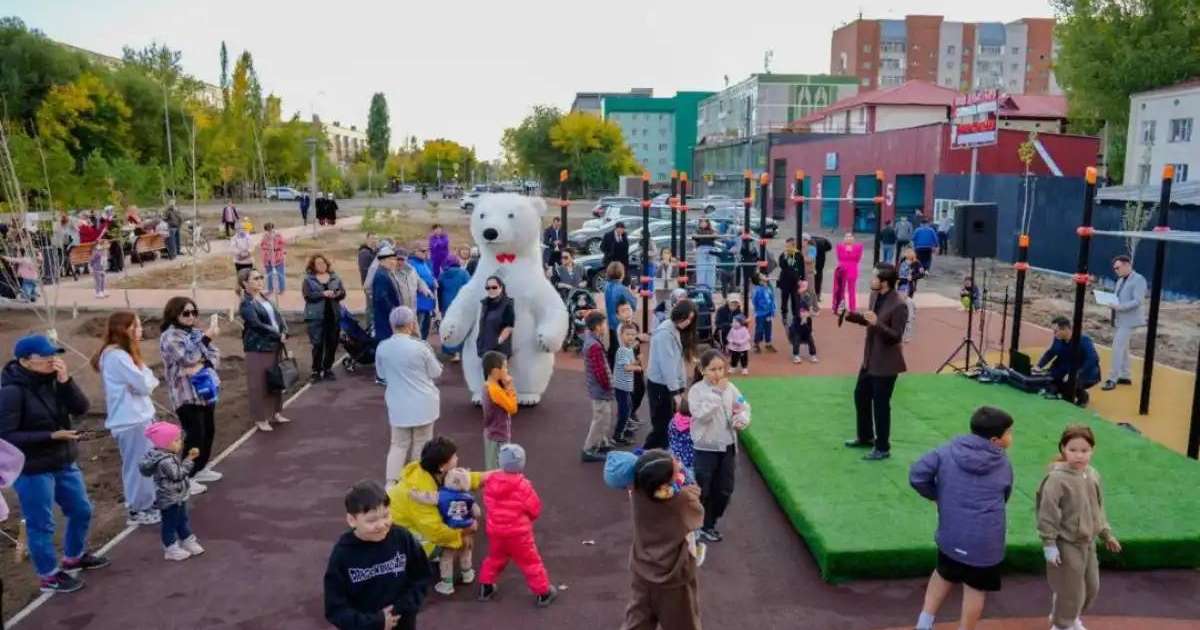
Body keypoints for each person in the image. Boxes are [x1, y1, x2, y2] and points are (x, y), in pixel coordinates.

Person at [1, 334, 110, 593]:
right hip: (32, 468)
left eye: (55, 354)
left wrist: (66, 381)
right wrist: (51, 435)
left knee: (81, 509)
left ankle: (74, 556)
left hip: (63, 459)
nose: (53, 360)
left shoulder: (53, 381)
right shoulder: (11, 392)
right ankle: (48, 575)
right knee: (41, 523)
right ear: (25, 361)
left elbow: (81, 407)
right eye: (46, 356)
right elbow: (5, 435)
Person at [909, 406, 1015, 630]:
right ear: (996, 440)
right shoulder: (1003, 463)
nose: (1011, 437)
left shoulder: (946, 451)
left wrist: (937, 496)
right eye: (1009, 433)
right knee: (975, 589)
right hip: (985, 543)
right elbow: (1004, 494)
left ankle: (924, 622)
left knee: (943, 574)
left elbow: (917, 475)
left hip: (952, 534)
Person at [1037, 425, 1122, 630]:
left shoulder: (1092, 474)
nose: (1079, 455)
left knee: (1092, 588)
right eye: (1073, 450)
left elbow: (1097, 508)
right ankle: (1061, 625)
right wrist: (1049, 544)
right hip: (1067, 543)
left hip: (1088, 542)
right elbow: (1047, 512)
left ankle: (1070, 616)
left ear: (1092, 451)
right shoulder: (1056, 479)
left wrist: (1106, 534)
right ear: (1063, 449)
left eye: (1084, 450)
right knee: (1071, 590)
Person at [324, 480, 432, 630]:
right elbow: (335, 609)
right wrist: (376, 622)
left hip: (403, 623)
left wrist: (402, 608)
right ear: (352, 520)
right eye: (371, 520)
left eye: (386, 515)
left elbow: (422, 576)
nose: (382, 524)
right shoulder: (343, 554)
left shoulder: (402, 538)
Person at [621, 449, 704, 630]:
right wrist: (683, 478)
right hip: (673, 575)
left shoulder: (637, 490)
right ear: (664, 483)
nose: (678, 466)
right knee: (683, 623)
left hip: (642, 568)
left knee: (637, 620)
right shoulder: (681, 499)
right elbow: (697, 510)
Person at [92, 312, 162, 524]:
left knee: (147, 462)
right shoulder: (117, 357)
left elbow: (147, 379)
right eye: (137, 326)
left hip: (140, 417)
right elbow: (144, 383)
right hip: (131, 420)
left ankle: (147, 501)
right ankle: (137, 508)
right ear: (125, 330)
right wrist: (145, 382)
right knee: (138, 465)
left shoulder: (125, 354)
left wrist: (145, 382)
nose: (141, 330)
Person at [477, 443, 558, 607]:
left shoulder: (490, 482)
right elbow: (535, 508)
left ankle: (485, 587)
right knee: (531, 563)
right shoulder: (523, 486)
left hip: (496, 531)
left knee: (494, 558)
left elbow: (487, 502)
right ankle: (543, 593)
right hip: (519, 534)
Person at [843, 264, 908, 461]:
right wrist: (849, 315)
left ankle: (882, 447)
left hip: (886, 364)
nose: (871, 280)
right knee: (860, 396)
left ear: (884, 281)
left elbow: (895, 336)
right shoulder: (875, 297)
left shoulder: (899, 305)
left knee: (880, 405)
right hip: (869, 360)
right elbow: (869, 320)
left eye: (874, 277)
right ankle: (865, 437)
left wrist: (876, 323)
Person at [159, 297, 223, 490]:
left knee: (208, 431)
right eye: (186, 313)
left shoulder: (195, 333)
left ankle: (200, 467)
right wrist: (206, 340)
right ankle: (185, 476)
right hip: (185, 394)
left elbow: (215, 355)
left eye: (194, 313)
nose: (191, 317)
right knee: (195, 434)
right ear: (174, 314)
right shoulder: (170, 337)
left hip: (205, 390)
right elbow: (187, 358)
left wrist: (201, 362)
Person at [688, 348, 750, 543]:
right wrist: (716, 393)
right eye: (713, 369)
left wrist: (741, 419)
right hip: (705, 448)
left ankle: (709, 524)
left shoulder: (730, 388)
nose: (718, 373)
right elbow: (701, 415)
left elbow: (742, 405)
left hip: (728, 446)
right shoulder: (697, 391)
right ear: (702, 369)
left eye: (721, 368)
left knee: (724, 489)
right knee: (702, 488)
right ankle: (697, 525)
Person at [388, 436, 488, 557]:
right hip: (398, 534)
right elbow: (435, 531)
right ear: (442, 466)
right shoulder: (419, 493)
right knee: (450, 545)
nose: (457, 458)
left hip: (412, 523)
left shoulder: (431, 470)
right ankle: (426, 556)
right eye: (454, 456)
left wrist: (499, 474)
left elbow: (468, 479)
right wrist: (463, 532)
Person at [377, 307, 442, 486]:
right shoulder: (421, 347)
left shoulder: (382, 348)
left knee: (398, 444)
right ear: (411, 325)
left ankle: (391, 483)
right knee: (422, 443)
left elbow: (381, 375)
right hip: (424, 403)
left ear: (392, 325)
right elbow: (435, 372)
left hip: (398, 404)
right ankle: (417, 481)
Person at [237, 268, 293, 433]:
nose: (260, 280)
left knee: (275, 380)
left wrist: (284, 331)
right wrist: (277, 334)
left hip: (273, 345)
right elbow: (256, 325)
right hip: (258, 348)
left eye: (261, 277)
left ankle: (276, 412)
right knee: (259, 384)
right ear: (245, 283)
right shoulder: (246, 303)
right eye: (255, 278)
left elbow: (278, 317)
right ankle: (260, 418)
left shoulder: (263, 297)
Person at [140, 422, 205, 561]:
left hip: (177, 495)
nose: (180, 443)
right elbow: (178, 475)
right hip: (169, 498)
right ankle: (170, 547)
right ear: (164, 443)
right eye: (176, 440)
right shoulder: (165, 461)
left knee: (182, 519)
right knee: (170, 522)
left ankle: (186, 539)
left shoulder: (168, 455)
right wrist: (189, 459)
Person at [644, 300, 696, 450]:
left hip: (666, 385)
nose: (688, 322)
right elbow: (667, 367)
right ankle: (643, 455)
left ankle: (660, 457)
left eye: (691, 319)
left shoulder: (673, 329)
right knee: (662, 426)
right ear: (679, 315)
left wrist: (679, 387)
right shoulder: (665, 334)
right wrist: (676, 393)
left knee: (667, 425)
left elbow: (674, 363)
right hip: (661, 386)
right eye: (687, 318)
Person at [1101, 255, 1146, 391]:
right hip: (1120, 318)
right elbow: (1118, 297)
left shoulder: (1138, 280)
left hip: (1130, 320)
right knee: (1124, 347)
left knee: (1117, 346)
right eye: (1115, 268)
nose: (1116, 271)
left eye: (1118, 268)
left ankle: (1112, 378)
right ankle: (1125, 375)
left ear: (1127, 265)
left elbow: (1138, 301)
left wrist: (1119, 307)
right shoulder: (1121, 280)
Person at [1036, 316, 1102, 407]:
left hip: (1086, 372)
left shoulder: (1084, 340)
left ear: (1066, 329)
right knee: (1047, 380)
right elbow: (1051, 352)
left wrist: (1077, 373)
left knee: (1070, 386)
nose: (1054, 334)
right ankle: (1062, 389)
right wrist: (1039, 366)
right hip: (1064, 369)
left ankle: (1082, 396)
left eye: (1056, 331)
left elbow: (1092, 359)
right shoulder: (1058, 338)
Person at [302, 254, 347, 383]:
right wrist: (322, 294)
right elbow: (307, 296)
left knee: (332, 343)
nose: (321, 265)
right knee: (317, 344)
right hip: (316, 317)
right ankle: (316, 370)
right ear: (313, 266)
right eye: (318, 264)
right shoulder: (308, 280)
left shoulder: (335, 277)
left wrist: (336, 294)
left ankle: (327, 368)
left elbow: (343, 293)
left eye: (323, 263)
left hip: (333, 315)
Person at [581, 311, 615, 462]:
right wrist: (608, 385)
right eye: (603, 324)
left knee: (604, 417)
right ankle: (589, 448)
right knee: (600, 418)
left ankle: (601, 442)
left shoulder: (591, 340)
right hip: (600, 389)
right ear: (597, 326)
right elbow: (600, 370)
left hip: (597, 388)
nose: (605, 327)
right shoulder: (594, 345)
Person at [481, 350, 516, 470]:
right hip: (498, 436)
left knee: (494, 466)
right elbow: (512, 408)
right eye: (505, 367)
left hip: (493, 433)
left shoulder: (488, 386)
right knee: (497, 469)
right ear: (495, 371)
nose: (507, 370)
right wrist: (509, 387)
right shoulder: (495, 390)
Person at [613, 322, 643, 446]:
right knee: (624, 410)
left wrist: (638, 361)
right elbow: (626, 367)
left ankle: (625, 426)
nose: (630, 337)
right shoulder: (622, 351)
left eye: (633, 335)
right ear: (621, 335)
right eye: (628, 334)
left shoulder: (629, 349)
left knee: (628, 407)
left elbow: (631, 363)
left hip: (626, 385)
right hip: (621, 386)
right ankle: (618, 435)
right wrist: (637, 368)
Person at [437, 255, 471, 361]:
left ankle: (448, 349)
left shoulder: (442, 275)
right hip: (460, 304)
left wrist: (440, 305)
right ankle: (459, 351)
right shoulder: (464, 273)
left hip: (446, 303)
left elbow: (439, 290)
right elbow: (469, 288)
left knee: (448, 327)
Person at [477, 275, 516, 358]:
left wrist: (497, 342)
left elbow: (508, 327)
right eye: (488, 288)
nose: (491, 290)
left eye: (494, 287)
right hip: (484, 349)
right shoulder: (484, 303)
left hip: (499, 351)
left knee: (497, 371)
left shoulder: (507, 304)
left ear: (501, 287)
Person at [604, 262, 637, 356]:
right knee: (622, 350)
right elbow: (633, 306)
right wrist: (633, 294)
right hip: (621, 323)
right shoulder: (623, 289)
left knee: (613, 347)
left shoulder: (607, 286)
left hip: (611, 322)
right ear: (622, 273)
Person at [371, 247, 403, 342]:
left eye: (393, 259)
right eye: (390, 260)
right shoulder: (381, 275)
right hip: (385, 318)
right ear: (382, 261)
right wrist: (393, 310)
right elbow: (381, 297)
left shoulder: (385, 272)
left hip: (386, 317)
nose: (393, 262)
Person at [409, 244, 438, 340]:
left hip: (428, 301)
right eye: (422, 251)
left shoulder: (425, 263)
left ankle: (423, 343)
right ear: (415, 251)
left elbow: (430, 275)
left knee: (426, 326)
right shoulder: (411, 264)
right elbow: (415, 281)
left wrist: (433, 280)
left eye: (426, 251)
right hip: (419, 301)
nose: (425, 253)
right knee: (418, 327)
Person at [833, 232, 864, 313]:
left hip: (852, 269)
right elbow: (839, 257)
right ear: (844, 239)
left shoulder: (858, 247)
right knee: (840, 289)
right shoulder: (839, 247)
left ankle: (852, 308)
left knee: (852, 290)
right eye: (846, 237)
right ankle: (841, 307)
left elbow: (858, 258)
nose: (848, 238)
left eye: (850, 237)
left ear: (853, 239)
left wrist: (850, 258)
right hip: (842, 269)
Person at [776, 238, 804, 327]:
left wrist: (801, 279)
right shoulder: (783, 255)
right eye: (786, 246)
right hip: (785, 281)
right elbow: (781, 266)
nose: (787, 248)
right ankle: (784, 315)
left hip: (795, 282)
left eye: (789, 246)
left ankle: (796, 317)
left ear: (793, 245)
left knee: (795, 300)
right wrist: (785, 257)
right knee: (784, 299)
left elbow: (801, 268)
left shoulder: (798, 255)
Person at [788, 288, 819, 364]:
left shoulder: (809, 307)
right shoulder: (800, 305)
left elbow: (815, 314)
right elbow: (802, 315)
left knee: (811, 341)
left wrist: (811, 313)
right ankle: (796, 356)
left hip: (806, 331)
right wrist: (810, 314)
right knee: (796, 340)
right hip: (797, 330)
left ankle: (813, 355)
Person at [260, 222, 287, 297]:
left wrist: (276, 247)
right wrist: (266, 251)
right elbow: (262, 245)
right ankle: (270, 290)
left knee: (280, 274)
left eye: (270, 229)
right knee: (269, 275)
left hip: (277, 258)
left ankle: (282, 289)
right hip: (268, 259)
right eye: (267, 229)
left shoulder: (278, 235)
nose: (269, 231)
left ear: (272, 228)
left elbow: (283, 243)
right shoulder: (265, 236)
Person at [751, 273, 776, 353]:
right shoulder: (757, 290)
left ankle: (768, 343)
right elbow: (755, 301)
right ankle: (756, 344)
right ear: (760, 281)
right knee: (760, 328)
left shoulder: (768, 288)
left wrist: (772, 310)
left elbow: (771, 299)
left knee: (768, 328)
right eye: (762, 276)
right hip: (760, 313)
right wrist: (760, 308)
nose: (765, 276)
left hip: (768, 312)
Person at [693, 218, 719, 289]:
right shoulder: (697, 230)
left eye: (705, 221)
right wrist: (695, 248)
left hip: (711, 250)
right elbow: (694, 239)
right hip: (701, 250)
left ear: (708, 223)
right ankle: (701, 289)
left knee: (711, 270)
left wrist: (712, 231)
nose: (703, 223)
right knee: (701, 270)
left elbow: (716, 235)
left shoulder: (711, 230)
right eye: (701, 222)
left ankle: (710, 289)